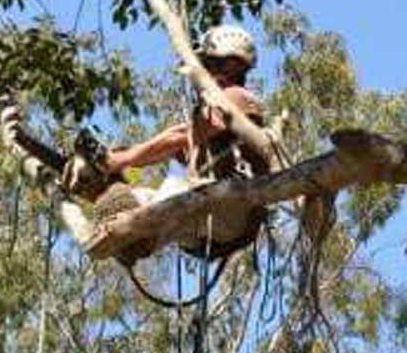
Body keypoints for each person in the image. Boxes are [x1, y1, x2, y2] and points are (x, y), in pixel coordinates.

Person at [77, 24, 271, 261]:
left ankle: (134, 232)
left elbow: (180, 136)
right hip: (207, 222)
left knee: (175, 186)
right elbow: (174, 144)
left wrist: (118, 160)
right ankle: (131, 240)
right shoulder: (208, 118)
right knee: (140, 197)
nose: (204, 72)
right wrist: (119, 164)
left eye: (208, 64)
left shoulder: (238, 97)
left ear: (230, 64)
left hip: (233, 206)